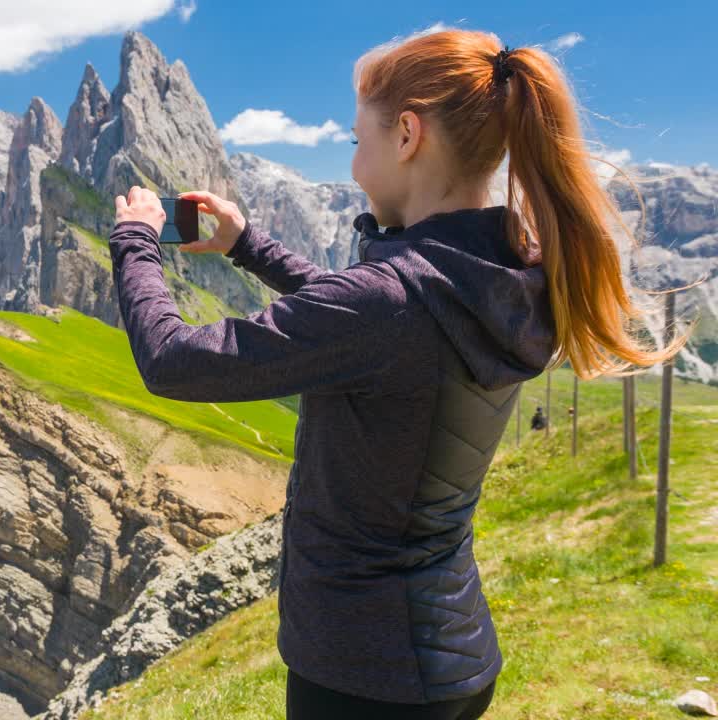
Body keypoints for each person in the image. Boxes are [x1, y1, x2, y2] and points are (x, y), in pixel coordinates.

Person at [107, 26, 690, 720]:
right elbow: (364, 317)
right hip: (449, 659)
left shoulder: (393, 304)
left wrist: (135, 241)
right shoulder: (506, 273)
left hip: (362, 674)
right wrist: (248, 247)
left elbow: (173, 361)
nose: (353, 164)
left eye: (358, 140)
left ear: (408, 134)